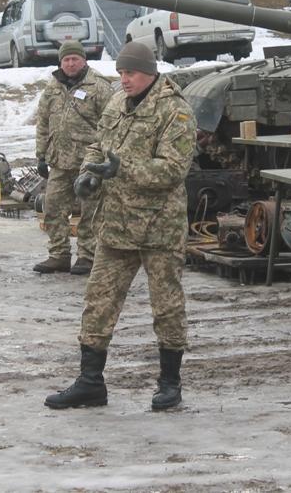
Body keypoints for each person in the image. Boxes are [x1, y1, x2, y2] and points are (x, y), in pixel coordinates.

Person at [45, 42, 197, 412]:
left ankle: (169, 383)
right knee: (98, 302)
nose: (124, 79)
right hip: (116, 225)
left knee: (167, 307)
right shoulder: (115, 103)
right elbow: (98, 145)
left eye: (130, 73)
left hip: (159, 227)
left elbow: (173, 170)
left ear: (149, 72)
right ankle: (90, 382)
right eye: (120, 73)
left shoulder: (174, 111)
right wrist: (87, 173)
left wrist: (122, 169)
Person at [33, 40, 114, 276]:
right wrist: (41, 155)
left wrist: (106, 158)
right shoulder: (52, 88)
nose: (70, 63)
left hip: (89, 163)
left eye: (74, 59)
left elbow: (111, 125)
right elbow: (43, 123)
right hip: (59, 161)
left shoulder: (99, 87)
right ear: (60, 62)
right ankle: (58, 255)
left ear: (84, 60)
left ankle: (87, 256)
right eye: (66, 60)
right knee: (53, 207)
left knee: (91, 211)